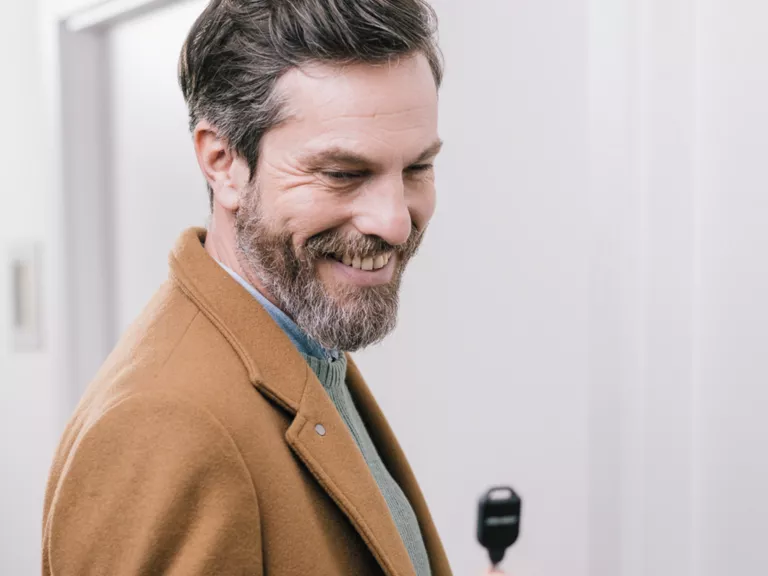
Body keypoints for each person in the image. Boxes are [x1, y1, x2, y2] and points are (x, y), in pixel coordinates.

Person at [42, 0, 502, 574]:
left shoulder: (304, 344)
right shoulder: (166, 426)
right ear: (223, 162)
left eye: (416, 169)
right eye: (342, 173)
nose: (394, 222)